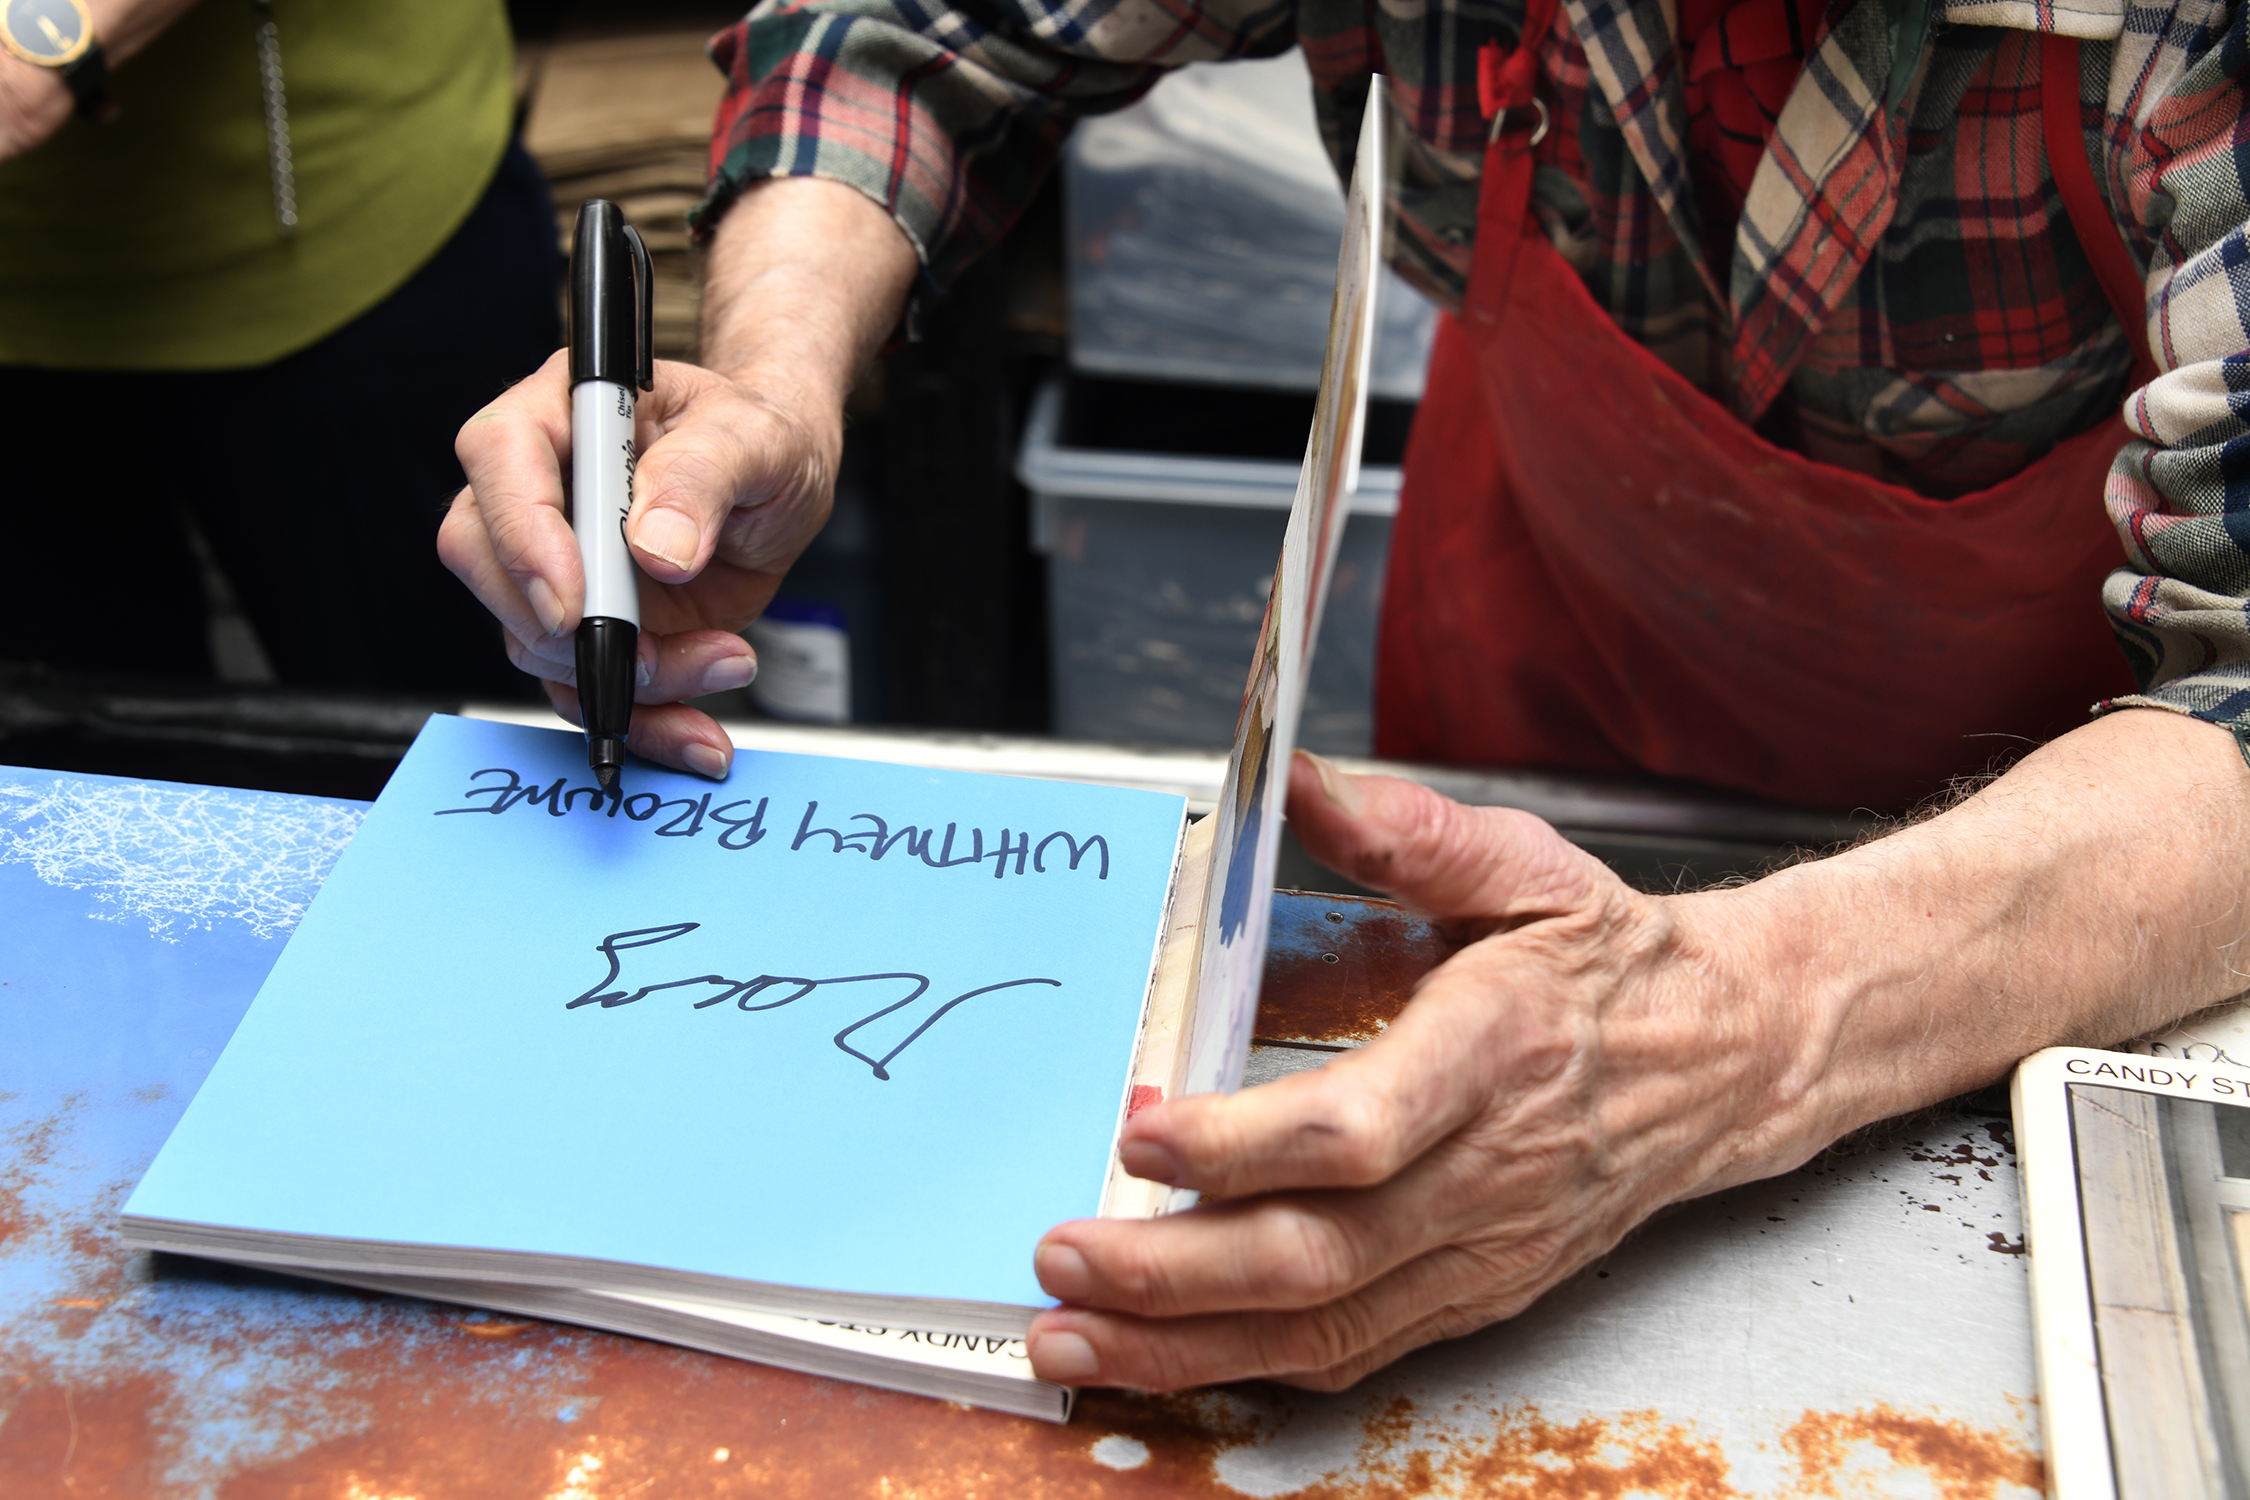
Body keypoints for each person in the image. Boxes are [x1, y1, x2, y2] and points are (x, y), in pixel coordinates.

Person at [437, 0, 2250, 1391]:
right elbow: (898, 31)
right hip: (1537, 688)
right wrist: (772, 380)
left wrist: (1737, 1028)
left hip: (2079, 888)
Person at [0, 0, 556, 696]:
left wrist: (39, 36)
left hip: (351, 236)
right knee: (77, 733)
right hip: (22, 308)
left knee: (445, 709)